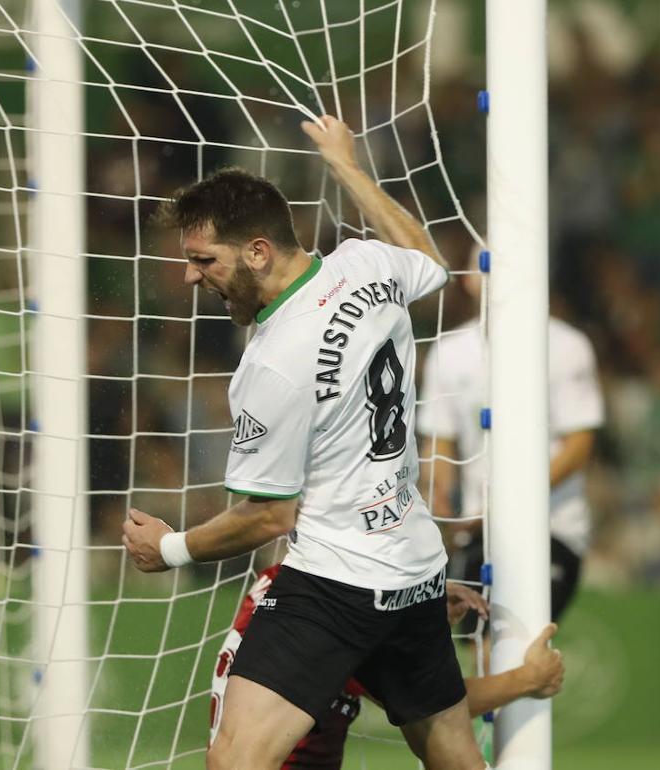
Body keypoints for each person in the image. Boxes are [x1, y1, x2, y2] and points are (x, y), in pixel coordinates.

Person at [124, 116, 490, 770]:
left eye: (202, 259)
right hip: (412, 567)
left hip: (335, 582)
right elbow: (428, 262)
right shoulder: (367, 265)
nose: (189, 276)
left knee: (234, 761)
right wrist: (346, 164)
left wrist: (169, 548)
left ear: (258, 251)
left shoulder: (272, 364)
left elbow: (269, 515)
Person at [209, 565, 565, 770]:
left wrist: (410, 606)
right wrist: (527, 679)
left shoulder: (279, 586)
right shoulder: (337, 605)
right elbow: (435, 710)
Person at [418, 254, 604, 624]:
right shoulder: (449, 351)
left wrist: (510, 505)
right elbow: (440, 442)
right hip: (476, 530)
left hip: (552, 526)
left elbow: (580, 447)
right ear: (468, 279)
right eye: (484, 271)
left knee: (516, 642)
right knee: (484, 651)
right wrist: (439, 493)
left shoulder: (567, 346)